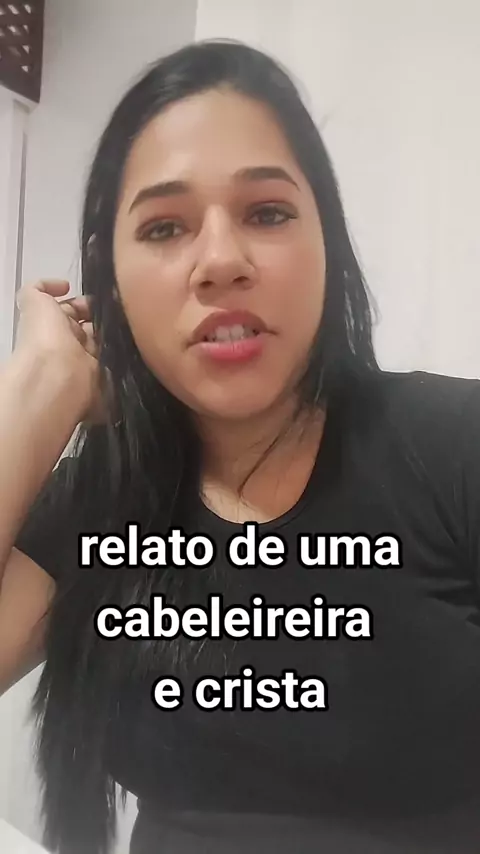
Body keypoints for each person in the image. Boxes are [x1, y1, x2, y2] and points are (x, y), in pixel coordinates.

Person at [0, 38, 479, 854]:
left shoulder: (453, 445)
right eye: (164, 226)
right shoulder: (97, 501)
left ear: (327, 243)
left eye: (266, 213)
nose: (221, 261)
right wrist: (40, 387)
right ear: (110, 283)